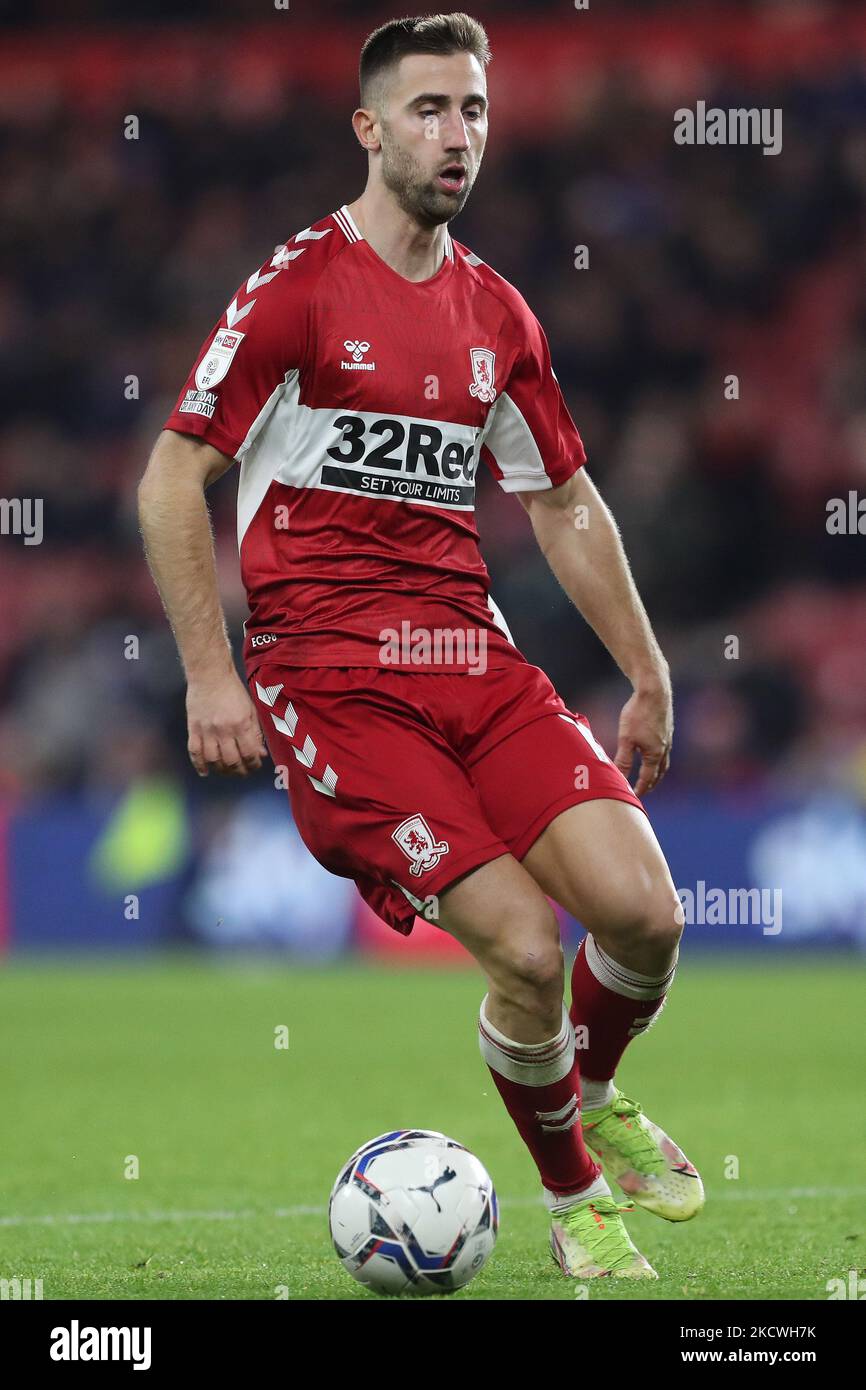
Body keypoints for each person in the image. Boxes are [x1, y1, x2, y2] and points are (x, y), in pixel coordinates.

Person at [138, 12, 702, 1280]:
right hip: (333, 684)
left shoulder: (496, 314)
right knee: (520, 943)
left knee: (645, 913)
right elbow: (173, 479)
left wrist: (650, 669)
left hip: (468, 657)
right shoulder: (295, 290)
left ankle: (594, 1094)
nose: (459, 137)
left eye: (476, 112)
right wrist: (209, 670)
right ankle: (570, 1203)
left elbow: (562, 501)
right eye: (431, 110)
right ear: (370, 127)